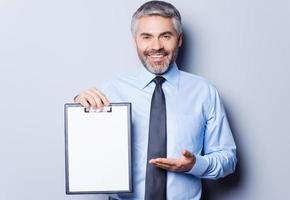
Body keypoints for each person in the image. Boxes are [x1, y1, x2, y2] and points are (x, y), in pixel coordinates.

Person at [74, 1, 237, 199]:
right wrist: (80, 108)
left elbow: (228, 159)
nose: (156, 46)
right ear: (135, 41)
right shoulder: (112, 89)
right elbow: (88, 152)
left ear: (179, 39)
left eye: (166, 36)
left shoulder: (204, 92)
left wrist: (194, 165)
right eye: (146, 37)